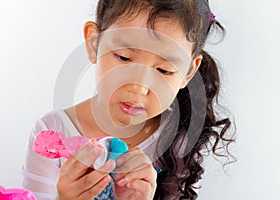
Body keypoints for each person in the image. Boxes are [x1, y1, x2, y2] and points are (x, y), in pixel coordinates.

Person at [22, 0, 235, 199]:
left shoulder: (178, 143)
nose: (138, 87)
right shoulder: (52, 131)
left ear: (188, 73)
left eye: (164, 70)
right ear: (94, 42)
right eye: (123, 57)